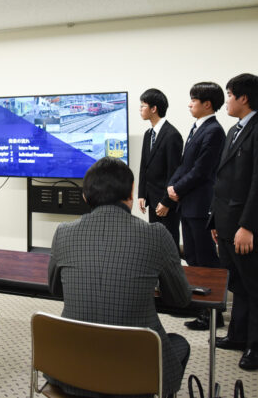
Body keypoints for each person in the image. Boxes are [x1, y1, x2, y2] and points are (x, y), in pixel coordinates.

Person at [48, 157, 191, 397]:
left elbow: (55, 290)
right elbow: (180, 299)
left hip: (70, 372)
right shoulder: (157, 235)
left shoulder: (63, 233)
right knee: (179, 345)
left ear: (85, 196)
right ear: (130, 196)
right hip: (135, 377)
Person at [210, 73, 258, 371]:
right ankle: (238, 335)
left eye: (229, 95)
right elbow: (224, 181)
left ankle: (257, 347)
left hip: (248, 228)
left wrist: (248, 227)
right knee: (238, 286)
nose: (226, 100)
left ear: (244, 98)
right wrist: (215, 221)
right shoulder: (235, 130)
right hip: (228, 225)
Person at [167, 82, 226, 331]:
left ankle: (213, 313)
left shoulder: (214, 131)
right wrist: (171, 187)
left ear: (207, 104)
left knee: (205, 261)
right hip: (188, 204)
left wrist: (177, 189)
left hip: (200, 206)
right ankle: (201, 307)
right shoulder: (196, 128)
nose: (189, 104)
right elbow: (184, 166)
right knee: (192, 258)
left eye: (193, 100)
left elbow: (202, 171)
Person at [137, 88, 183, 251]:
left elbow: (174, 173)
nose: (140, 110)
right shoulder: (148, 134)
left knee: (169, 245)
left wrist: (167, 202)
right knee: (155, 244)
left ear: (154, 108)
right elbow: (144, 166)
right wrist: (142, 193)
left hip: (166, 202)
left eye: (143, 106)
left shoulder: (172, 135)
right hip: (152, 198)